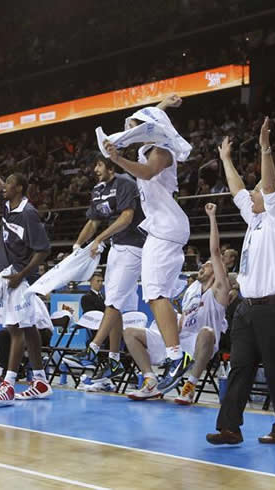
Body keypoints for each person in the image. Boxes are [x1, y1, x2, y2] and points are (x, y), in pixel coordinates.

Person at [206, 118, 275, 446]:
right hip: (247, 307)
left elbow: (270, 186)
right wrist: (226, 160)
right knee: (240, 367)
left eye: (259, 189)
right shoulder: (255, 219)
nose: (254, 192)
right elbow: (236, 191)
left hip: (274, 306)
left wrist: (264, 148)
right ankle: (230, 427)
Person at [100, 94, 194, 395]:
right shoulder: (150, 145)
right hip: (162, 229)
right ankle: (168, 363)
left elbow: (147, 172)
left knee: (155, 293)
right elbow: (144, 124)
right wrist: (163, 104)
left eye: (139, 125)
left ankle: (176, 357)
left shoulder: (162, 151)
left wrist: (116, 159)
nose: (132, 129)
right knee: (155, 294)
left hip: (166, 228)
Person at [0, 127, 52, 404]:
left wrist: (21, 276)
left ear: (18, 188)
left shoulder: (29, 214)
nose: (2, 187)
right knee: (27, 329)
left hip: (23, 279)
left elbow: (43, 251)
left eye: (8, 185)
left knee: (15, 330)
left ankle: (8, 385)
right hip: (12, 276)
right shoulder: (8, 207)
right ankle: (40, 381)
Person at [124, 203, 230, 403]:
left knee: (207, 331)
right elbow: (180, 323)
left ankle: (190, 385)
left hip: (200, 344)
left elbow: (215, 252)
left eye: (208, 266)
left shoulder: (219, 291)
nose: (202, 267)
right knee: (130, 333)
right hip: (179, 345)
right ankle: (150, 381)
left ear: (217, 272)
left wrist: (212, 217)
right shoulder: (190, 290)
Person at [64, 154, 146, 382]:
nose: (95, 169)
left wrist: (98, 239)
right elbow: (93, 222)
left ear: (109, 165)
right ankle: (114, 361)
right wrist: (78, 246)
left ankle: (92, 349)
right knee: (115, 304)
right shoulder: (98, 190)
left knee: (113, 301)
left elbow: (127, 217)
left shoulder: (125, 183)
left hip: (134, 246)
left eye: (98, 164)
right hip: (116, 248)